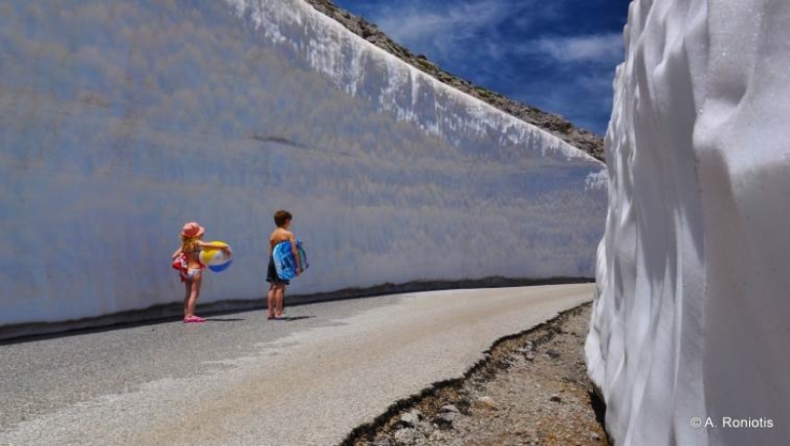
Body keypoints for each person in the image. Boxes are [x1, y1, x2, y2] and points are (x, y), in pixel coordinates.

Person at [171, 222, 231, 323]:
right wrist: (225, 247)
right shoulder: (196, 243)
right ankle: (190, 315)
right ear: (196, 234)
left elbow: (173, 256)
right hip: (195, 271)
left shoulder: (185, 245)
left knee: (188, 294)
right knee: (195, 293)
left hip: (186, 271)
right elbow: (210, 245)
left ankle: (186, 315)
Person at [266, 210, 302, 319]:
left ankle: (270, 313)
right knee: (280, 287)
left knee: (272, 286)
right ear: (286, 221)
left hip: (272, 260)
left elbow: (271, 250)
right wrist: (298, 266)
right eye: (290, 221)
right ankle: (279, 312)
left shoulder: (273, 234)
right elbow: (294, 251)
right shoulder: (288, 234)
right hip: (282, 262)